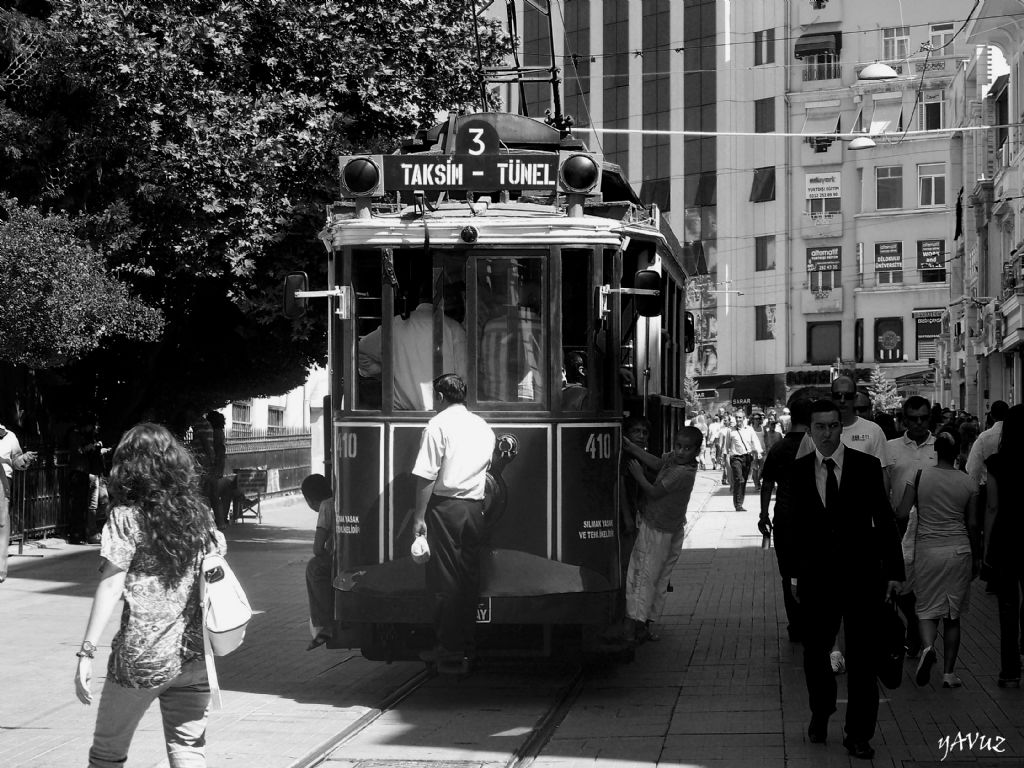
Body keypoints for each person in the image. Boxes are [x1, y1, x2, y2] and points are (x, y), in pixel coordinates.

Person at [74, 423, 225, 768]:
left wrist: (86, 653)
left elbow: (111, 585)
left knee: (107, 755)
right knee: (189, 750)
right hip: (193, 657)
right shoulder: (199, 517)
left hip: (140, 659)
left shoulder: (125, 519)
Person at [790, 400, 904, 761]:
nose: (827, 433)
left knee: (863, 658)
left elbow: (884, 520)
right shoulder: (798, 472)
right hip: (816, 578)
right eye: (820, 427)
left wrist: (895, 572)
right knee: (816, 654)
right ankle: (822, 709)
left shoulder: (866, 467)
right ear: (809, 430)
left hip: (862, 576)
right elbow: (789, 527)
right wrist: (791, 573)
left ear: (842, 427)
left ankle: (859, 734)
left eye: (833, 426)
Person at [411, 374, 495, 674]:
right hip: (474, 509)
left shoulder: (438, 426)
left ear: (440, 396)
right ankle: (468, 643)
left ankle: (448, 647)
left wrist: (419, 517)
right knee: (468, 578)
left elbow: (426, 475)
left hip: (446, 508)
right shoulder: (482, 427)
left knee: (445, 579)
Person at [895, 430, 979, 689]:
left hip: (928, 550)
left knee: (926, 609)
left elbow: (901, 512)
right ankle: (949, 673)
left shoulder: (919, 476)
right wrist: (977, 558)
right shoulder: (968, 482)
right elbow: (973, 524)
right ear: (958, 454)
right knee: (953, 615)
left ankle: (928, 647)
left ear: (936, 451)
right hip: (959, 550)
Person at [623, 426, 702, 643]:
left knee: (643, 576)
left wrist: (638, 475)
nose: (680, 452)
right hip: (671, 527)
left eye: (687, 448)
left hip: (657, 527)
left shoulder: (682, 473)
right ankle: (644, 625)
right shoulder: (676, 463)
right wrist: (633, 449)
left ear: (696, 451)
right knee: (656, 578)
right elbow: (659, 463)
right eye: (678, 446)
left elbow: (654, 492)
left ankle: (634, 628)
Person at [359, 282, 468, 410]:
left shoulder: (396, 325)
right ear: (444, 300)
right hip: (442, 414)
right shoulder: (454, 328)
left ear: (419, 298)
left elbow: (360, 351)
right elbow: (463, 378)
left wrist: (384, 372)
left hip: (400, 417)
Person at [886, 395, 937, 659]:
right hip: (900, 524)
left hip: (933, 526)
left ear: (930, 418)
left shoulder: (941, 447)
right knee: (901, 584)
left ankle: (919, 636)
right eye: (913, 418)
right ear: (904, 420)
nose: (918, 423)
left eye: (923, 418)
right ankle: (914, 628)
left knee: (927, 584)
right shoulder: (890, 447)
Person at [758, 397, 813, 643]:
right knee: (815, 570)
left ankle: (796, 623)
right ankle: (814, 619)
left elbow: (767, 483)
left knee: (789, 573)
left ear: (792, 416)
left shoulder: (779, 448)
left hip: (785, 516)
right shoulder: (818, 446)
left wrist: (763, 515)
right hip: (814, 517)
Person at [984, 403, 1024, 688]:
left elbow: (993, 507)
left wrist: (986, 548)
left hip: (1007, 538)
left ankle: (1009, 670)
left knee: (1007, 606)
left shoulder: (997, 462)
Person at [302, 473, 335, 650]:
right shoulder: (336, 500)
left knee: (314, 568)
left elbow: (317, 547)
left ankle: (324, 625)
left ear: (309, 500)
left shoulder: (325, 506)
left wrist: (323, 553)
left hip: (338, 557)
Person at [0, 422, 37, 583]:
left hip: (2, 482)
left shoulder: (9, 436)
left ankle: (0, 566)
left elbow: (16, 461)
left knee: (2, 523)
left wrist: (24, 459)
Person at [67, 414, 109, 545]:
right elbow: (78, 451)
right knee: (80, 505)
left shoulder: (87, 436)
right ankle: (76, 534)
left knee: (86, 504)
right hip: (78, 471)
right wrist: (91, 447)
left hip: (86, 471)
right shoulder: (75, 435)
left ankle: (82, 533)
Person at [724, 411, 761, 511]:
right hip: (735, 458)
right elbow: (726, 446)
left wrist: (759, 452)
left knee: (743, 481)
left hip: (747, 457)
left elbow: (755, 441)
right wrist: (725, 459)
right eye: (736, 417)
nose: (738, 419)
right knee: (739, 479)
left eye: (740, 418)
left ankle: (740, 503)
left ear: (744, 418)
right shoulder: (730, 431)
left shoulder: (749, 430)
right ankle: (737, 505)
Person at [749, 411, 768, 491]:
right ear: (752, 419)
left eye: (758, 418)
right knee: (755, 469)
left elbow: (766, 439)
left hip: (762, 451)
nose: (756, 420)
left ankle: (758, 480)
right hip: (753, 451)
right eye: (755, 418)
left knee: (762, 468)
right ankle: (757, 484)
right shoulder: (749, 428)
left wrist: (766, 449)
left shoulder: (763, 428)